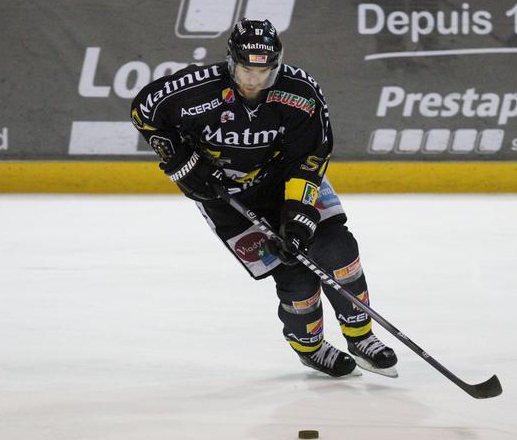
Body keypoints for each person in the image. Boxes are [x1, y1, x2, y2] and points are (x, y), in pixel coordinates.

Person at [130, 19, 397, 378]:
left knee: (336, 248)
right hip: (227, 200)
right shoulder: (194, 90)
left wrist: (299, 215)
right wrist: (179, 161)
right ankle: (310, 347)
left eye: (263, 71)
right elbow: (144, 110)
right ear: (230, 61)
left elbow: (310, 157)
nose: (254, 79)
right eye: (246, 70)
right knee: (294, 274)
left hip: (284, 179)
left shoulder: (300, 93)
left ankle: (361, 334)